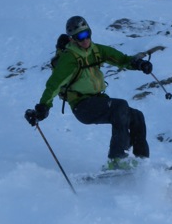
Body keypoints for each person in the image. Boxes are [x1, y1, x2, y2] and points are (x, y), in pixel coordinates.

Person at [25, 16, 154, 170]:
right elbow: (54, 84)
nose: (85, 40)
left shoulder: (97, 50)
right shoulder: (69, 59)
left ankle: (141, 162)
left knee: (137, 116)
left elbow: (121, 59)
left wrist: (138, 64)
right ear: (73, 39)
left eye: (87, 34)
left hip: (98, 100)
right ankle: (116, 160)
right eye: (80, 37)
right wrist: (43, 108)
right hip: (82, 106)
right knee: (120, 107)